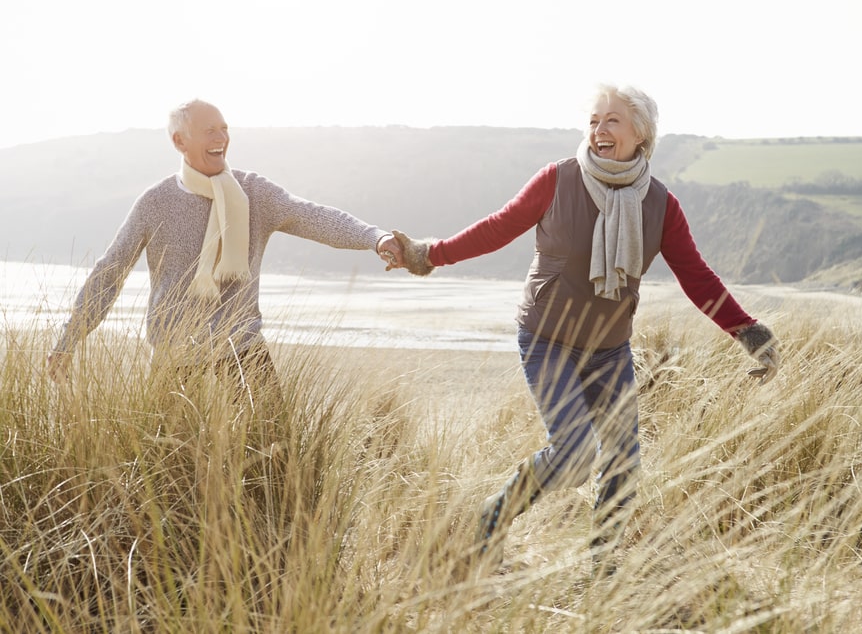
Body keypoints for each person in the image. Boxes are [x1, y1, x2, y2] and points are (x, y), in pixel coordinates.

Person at [388, 84, 780, 574]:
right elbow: (499, 227)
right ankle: (493, 518)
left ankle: (603, 568)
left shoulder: (661, 205)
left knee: (623, 461)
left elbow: (697, 278)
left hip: (608, 350)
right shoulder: (557, 180)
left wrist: (750, 333)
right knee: (575, 454)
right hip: (546, 339)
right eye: (594, 120)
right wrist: (430, 254)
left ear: (642, 134)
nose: (599, 130)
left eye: (612, 121)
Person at [47, 98, 402, 406]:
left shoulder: (253, 192)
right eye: (209, 131)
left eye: (224, 129)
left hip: (245, 355)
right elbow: (111, 272)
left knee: (273, 462)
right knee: (172, 472)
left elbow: (312, 216)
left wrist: (375, 238)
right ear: (179, 141)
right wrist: (69, 339)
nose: (221, 139)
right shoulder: (155, 203)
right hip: (175, 361)